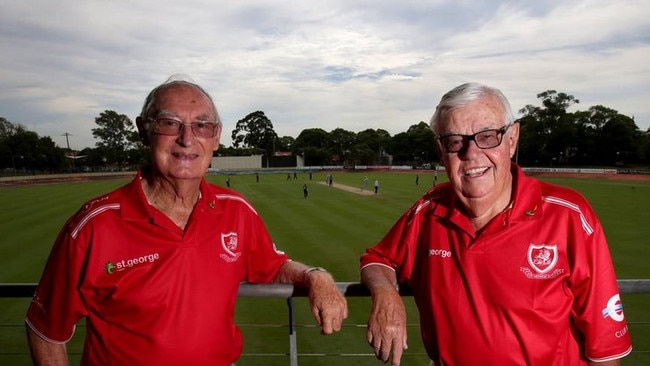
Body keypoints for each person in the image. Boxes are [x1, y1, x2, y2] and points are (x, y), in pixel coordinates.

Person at [25, 77, 348, 366]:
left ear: (216, 137)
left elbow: (273, 266)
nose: (186, 138)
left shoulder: (237, 211)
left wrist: (317, 277)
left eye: (202, 126)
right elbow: (45, 329)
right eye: (170, 123)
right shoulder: (93, 226)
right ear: (143, 131)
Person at [360, 82, 632, 366]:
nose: (471, 153)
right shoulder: (428, 212)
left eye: (488, 136)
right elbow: (378, 259)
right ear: (440, 150)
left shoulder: (569, 216)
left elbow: (605, 352)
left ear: (512, 138)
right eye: (454, 141)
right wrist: (386, 293)